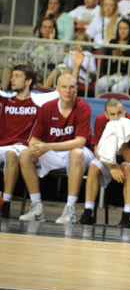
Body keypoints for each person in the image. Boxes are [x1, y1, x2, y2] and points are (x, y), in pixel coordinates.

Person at [19, 73, 94, 223]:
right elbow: (34, 138)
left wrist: (47, 146)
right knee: (26, 154)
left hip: (77, 152)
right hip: (53, 151)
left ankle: (70, 209)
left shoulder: (83, 107)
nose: (68, 90)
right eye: (64, 87)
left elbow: (80, 141)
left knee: (76, 153)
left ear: (76, 90)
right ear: (57, 89)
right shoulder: (47, 107)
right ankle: (36, 207)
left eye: (71, 87)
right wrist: (35, 145)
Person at [78, 98, 130, 227]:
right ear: (106, 115)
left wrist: (120, 135)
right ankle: (88, 212)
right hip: (110, 160)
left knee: (127, 168)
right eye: (112, 114)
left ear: (125, 110)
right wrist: (112, 167)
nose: (117, 117)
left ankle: (127, 216)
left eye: (120, 113)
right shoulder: (101, 120)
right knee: (94, 167)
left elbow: (129, 157)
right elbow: (97, 150)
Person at [0, 66, 58, 218]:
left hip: (22, 147)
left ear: (28, 81)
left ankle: (5, 203)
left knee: (11, 154)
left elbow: (63, 91)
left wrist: (76, 67)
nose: (12, 80)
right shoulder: (5, 99)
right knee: (8, 152)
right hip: (2, 145)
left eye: (17, 76)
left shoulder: (39, 100)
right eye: (12, 76)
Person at [2, 17, 64, 89]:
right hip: (29, 65)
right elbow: (19, 54)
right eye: (45, 27)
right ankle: (3, 92)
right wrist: (11, 58)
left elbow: (56, 60)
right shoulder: (32, 41)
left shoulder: (58, 44)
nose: (47, 30)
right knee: (8, 63)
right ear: (40, 29)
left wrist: (52, 42)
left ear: (54, 30)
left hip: (43, 70)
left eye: (50, 27)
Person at [97, 19, 130, 95]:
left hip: (128, 77)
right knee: (100, 84)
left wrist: (124, 60)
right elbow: (104, 67)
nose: (122, 31)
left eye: (125, 28)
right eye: (120, 28)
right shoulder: (113, 43)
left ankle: (118, 106)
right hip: (111, 76)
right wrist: (113, 59)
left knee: (116, 88)